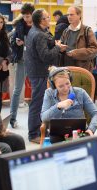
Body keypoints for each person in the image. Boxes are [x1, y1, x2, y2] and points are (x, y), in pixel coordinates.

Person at [24, 9, 67, 143]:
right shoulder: (39, 34)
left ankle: (39, 130)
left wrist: (54, 45)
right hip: (39, 72)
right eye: (47, 17)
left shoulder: (36, 31)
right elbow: (45, 55)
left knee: (41, 102)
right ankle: (34, 134)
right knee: (37, 103)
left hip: (37, 71)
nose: (50, 19)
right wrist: (58, 48)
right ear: (41, 21)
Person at [41, 66, 97, 143]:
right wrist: (58, 106)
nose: (66, 88)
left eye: (67, 83)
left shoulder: (80, 93)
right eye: (61, 86)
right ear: (54, 85)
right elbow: (44, 118)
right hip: (57, 135)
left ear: (70, 80)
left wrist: (91, 129)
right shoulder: (49, 93)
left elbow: (96, 113)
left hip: (80, 134)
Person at [10, 3, 35, 128]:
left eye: (28, 16)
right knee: (17, 90)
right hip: (21, 61)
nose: (26, 19)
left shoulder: (39, 26)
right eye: (24, 16)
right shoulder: (18, 26)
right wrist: (16, 43)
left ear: (33, 15)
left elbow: (43, 43)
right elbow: (12, 44)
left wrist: (26, 42)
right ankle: (12, 119)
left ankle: (37, 119)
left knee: (37, 90)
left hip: (35, 62)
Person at [59, 5, 97, 72]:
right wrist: (59, 47)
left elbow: (95, 49)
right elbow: (61, 46)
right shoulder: (66, 31)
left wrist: (75, 53)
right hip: (67, 69)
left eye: (71, 15)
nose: (69, 17)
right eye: (68, 15)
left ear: (79, 15)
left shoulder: (87, 30)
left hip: (82, 69)